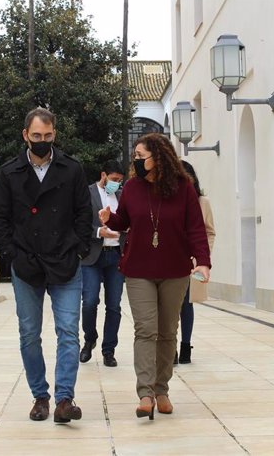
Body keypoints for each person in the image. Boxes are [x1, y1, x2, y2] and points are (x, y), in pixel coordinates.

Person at [98, 133, 211, 420]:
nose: (136, 160)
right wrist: (109, 218)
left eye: (140, 155)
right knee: (145, 330)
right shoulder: (132, 188)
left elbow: (196, 228)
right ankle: (145, 393)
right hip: (138, 269)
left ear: (158, 156)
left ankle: (162, 390)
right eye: (134, 155)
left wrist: (203, 262)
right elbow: (125, 220)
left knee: (168, 331)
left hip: (175, 270)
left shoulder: (183, 188)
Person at [0, 107, 92, 423]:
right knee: (29, 333)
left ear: (55, 135)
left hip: (64, 261)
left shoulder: (72, 170)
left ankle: (64, 399)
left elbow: (83, 214)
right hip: (27, 264)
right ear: (25, 135)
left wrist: (78, 249)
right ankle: (40, 396)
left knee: (68, 332)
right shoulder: (9, 173)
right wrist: (12, 254)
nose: (42, 141)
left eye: (48, 136)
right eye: (37, 136)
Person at [80, 160, 125, 367]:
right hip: (92, 256)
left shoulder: (122, 196)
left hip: (116, 255)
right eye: (114, 180)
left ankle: (109, 350)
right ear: (103, 175)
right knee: (89, 302)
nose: (117, 184)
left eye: (120, 181)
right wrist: (99, 231)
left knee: (114, 306)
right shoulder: (86, 192)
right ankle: (90, 338)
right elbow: (78, 223)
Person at [175, 160, 216, 364]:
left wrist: (202, 257)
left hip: (193, 261)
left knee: (186, 303)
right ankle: (170, 347)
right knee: (169, 304)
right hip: (172, 258)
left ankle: (185, 346)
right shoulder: (170, 200)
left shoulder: (202, 202)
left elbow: (209, 231)